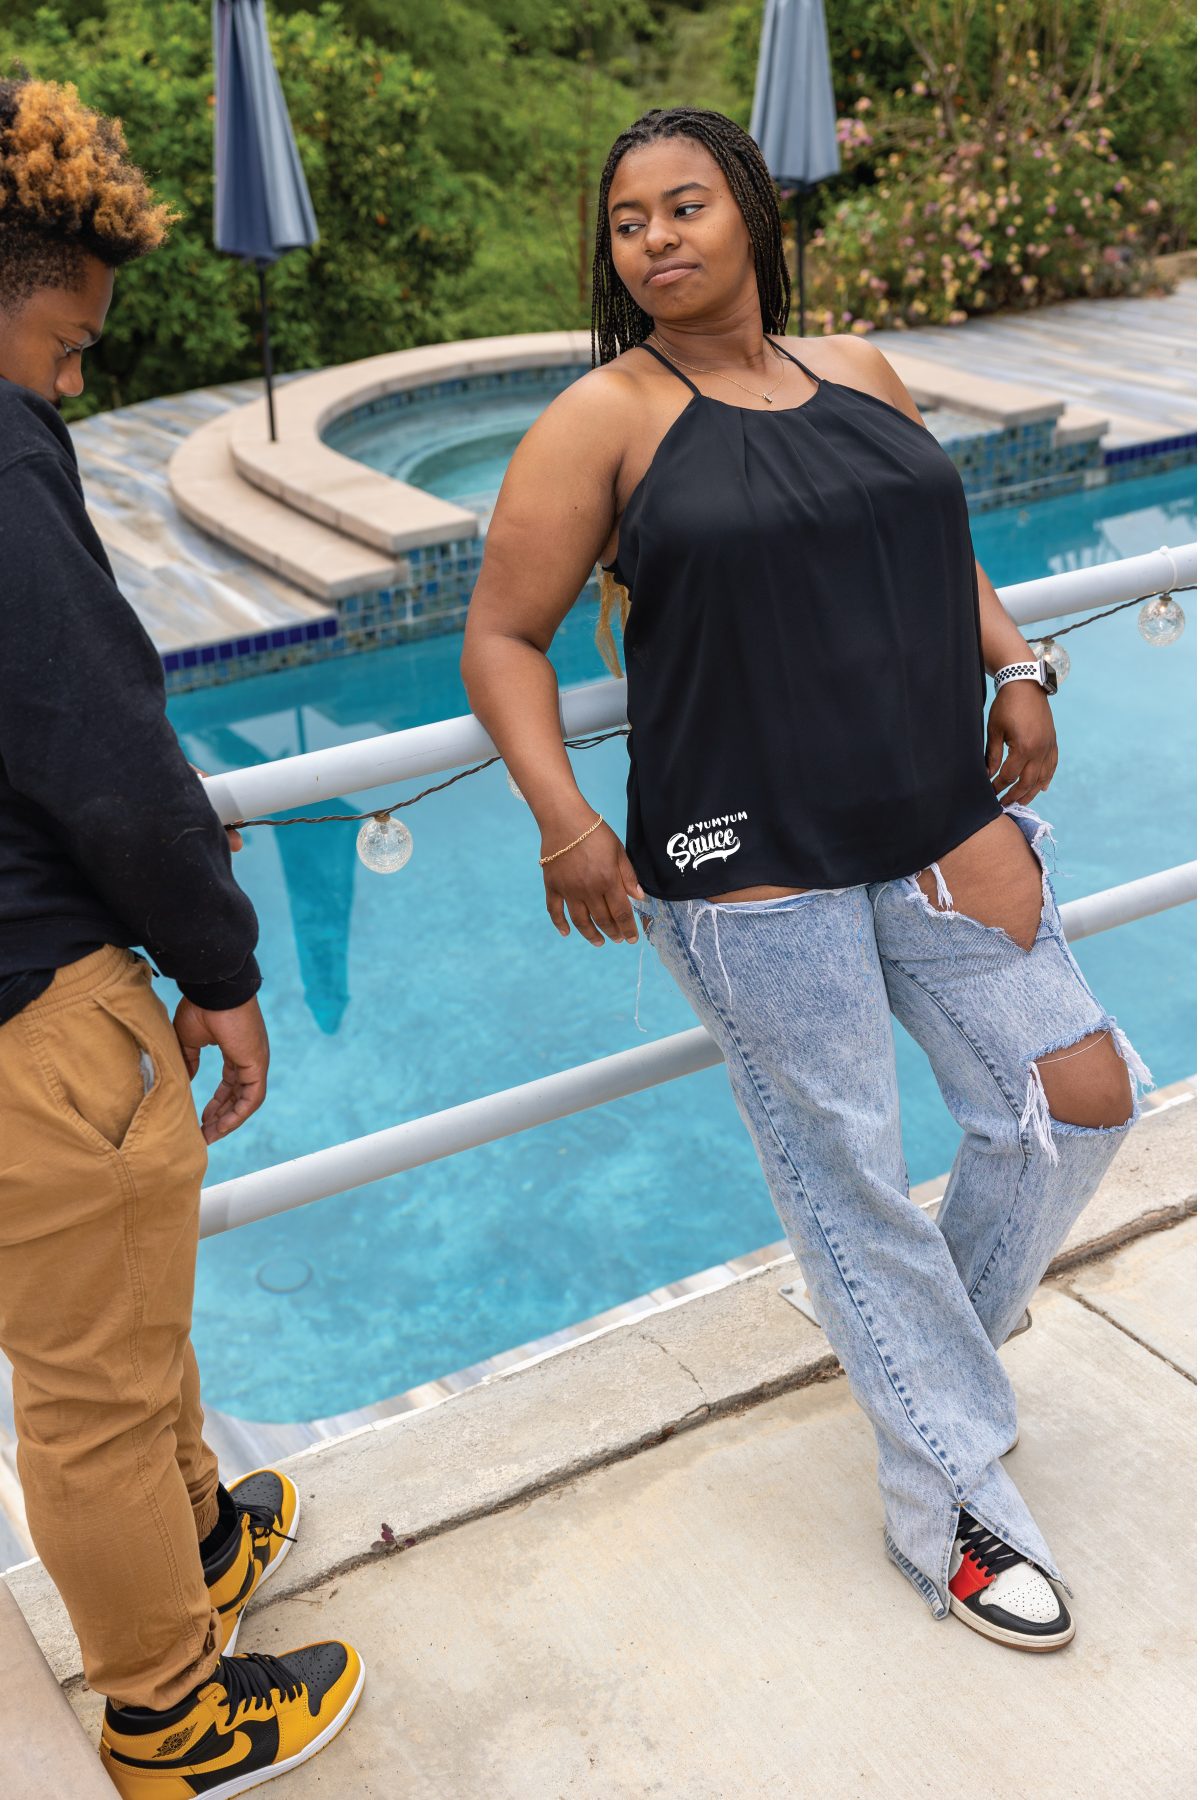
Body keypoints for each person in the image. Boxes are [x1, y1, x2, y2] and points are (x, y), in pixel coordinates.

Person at [461, 104, 1154, 1652]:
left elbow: (932, 545)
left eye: (686, 205)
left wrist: (1018, 662)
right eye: (630, 220)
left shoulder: (859, 372)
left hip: (931, 817)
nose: (658, 239)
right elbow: (501, 634)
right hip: (740, 855)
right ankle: (953, 1508)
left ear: (753, 214)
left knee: (1081, 1096)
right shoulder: (606, 419)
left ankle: (927, 1372)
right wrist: (567, 819)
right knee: (847, 1172)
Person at [0, 77, 363, 1788]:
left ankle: (199, 1533)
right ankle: (170, 1711)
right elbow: (104, 751)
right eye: (72, 350)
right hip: (33, 1009)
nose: (76, 383)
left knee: (130, 1320)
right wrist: (222, 970)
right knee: (88, 1380)